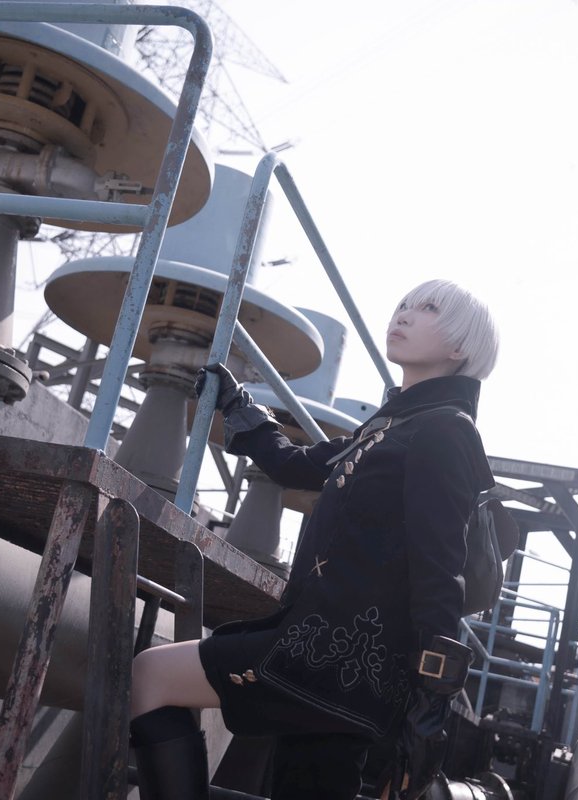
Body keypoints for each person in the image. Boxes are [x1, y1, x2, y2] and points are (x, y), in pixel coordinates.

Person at [128, 278, 499, 799]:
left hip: (337, 658)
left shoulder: (445, 431)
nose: (404, 314)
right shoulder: (393, 426)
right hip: (329, 657)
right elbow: (296, 465)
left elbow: (441, 572)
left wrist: (431, 704)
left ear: (461, 347)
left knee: (152, 675)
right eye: (403, 304)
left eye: (429, 308)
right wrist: (239, 405)